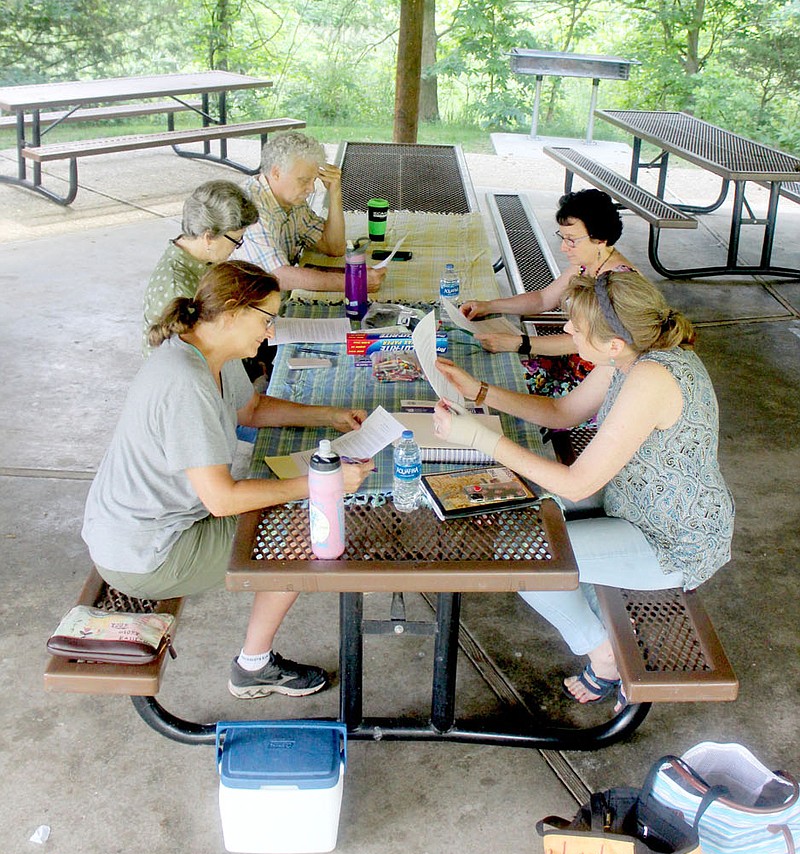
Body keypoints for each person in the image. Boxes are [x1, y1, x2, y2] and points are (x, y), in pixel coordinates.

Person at [432, 270, 734, 710]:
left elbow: (578, 483)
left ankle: (603, 655)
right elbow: (562, 411)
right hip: (635, 505)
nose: (567, 329)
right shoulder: (632, 354)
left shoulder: (650, 378)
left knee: (526, 555)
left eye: (575, 325)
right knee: (524, 506)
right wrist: (479, 391)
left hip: (671, 541)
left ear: (613, 343)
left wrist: (477, 436)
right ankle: (602, 628)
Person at [84, 261, 373, 699]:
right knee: (295, 534)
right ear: (235, 311)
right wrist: (323, 482)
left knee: (288, 503)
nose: (271, 333)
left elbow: (251, 410)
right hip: (146, 552)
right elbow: (221, 499)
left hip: (151, 527)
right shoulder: (187, 383)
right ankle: (253, 667)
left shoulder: (208, 350)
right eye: (267, 319)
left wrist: (329, 416)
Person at [461, 189, 636, 401]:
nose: (563, 247)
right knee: (485, 371)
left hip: (595, 379)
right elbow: (543, 299)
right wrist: (488, 305)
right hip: (575, 361)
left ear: (600, 238)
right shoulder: (589, 264)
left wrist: (517, 343)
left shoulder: (618, 285)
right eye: (562, 238)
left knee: (499, 383)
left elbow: (580, 342)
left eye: (571, 240)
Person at [237, 129, 386, 296]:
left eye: (313, 179)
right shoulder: (251, 208)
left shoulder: (291, 198)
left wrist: (335, 192)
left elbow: (334, 247)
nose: (312, 189)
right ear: (276, 172)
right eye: (304, 180)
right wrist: (353, 282)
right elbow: (279, 276)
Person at [142, 179, 259, 354]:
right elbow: (199, 351)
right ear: (209, 237)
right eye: (236, 240)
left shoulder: (196, 256)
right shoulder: (178, 289)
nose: (236, 247)